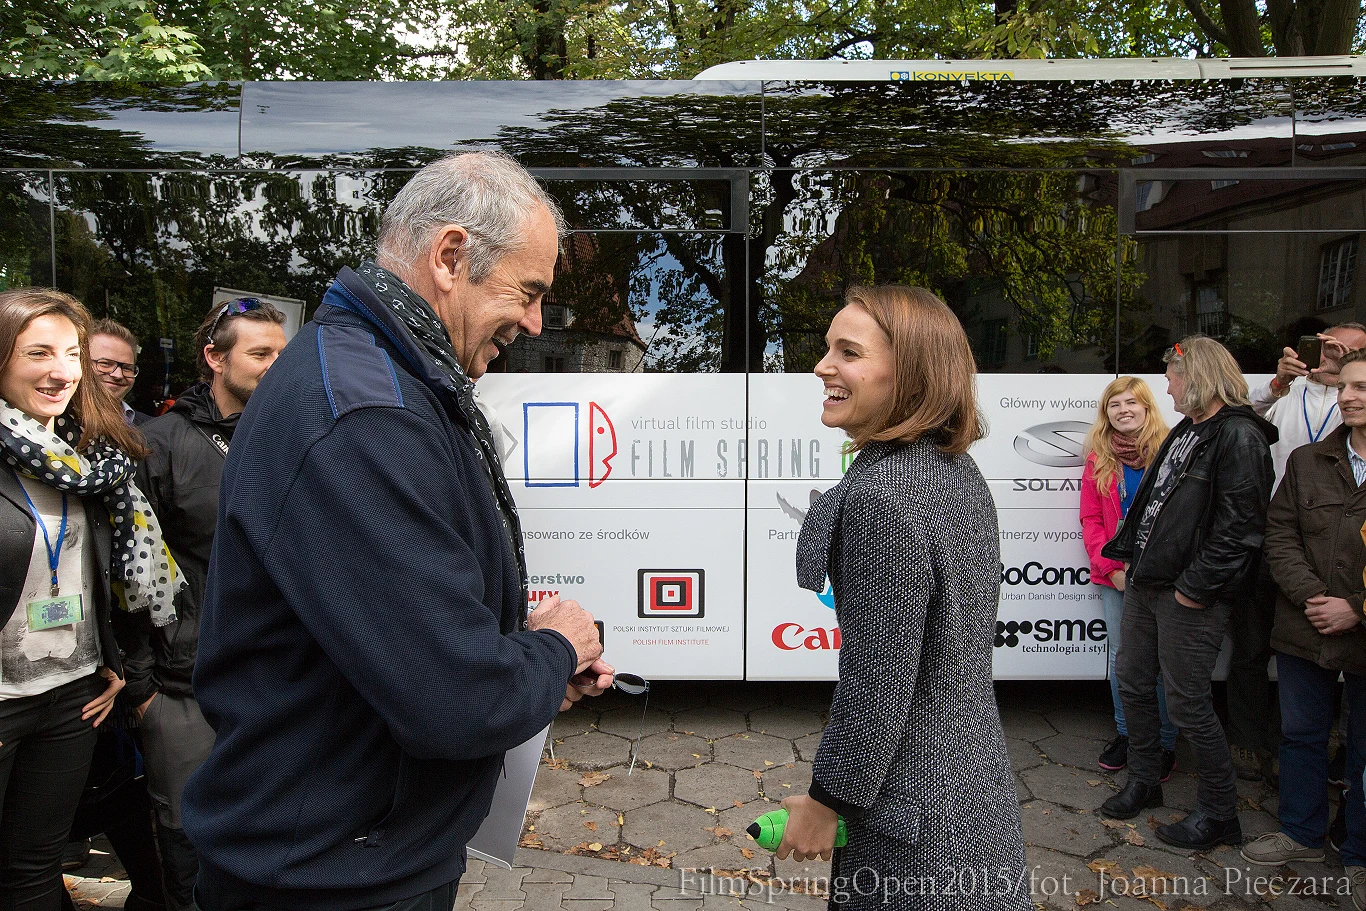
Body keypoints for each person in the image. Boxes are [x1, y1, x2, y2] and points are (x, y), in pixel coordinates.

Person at [181, 152, 613, 911]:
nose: (536, 322)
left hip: (345, 853)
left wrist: (521, 661)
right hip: (332, 878)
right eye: (530, 291)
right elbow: (453, 699)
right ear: (450, 257)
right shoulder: (366, 414)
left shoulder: (380, 374)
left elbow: (399, 627)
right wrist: (555, 648)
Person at [781, 285, 1029, 910]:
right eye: (827, 348)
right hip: (972, 785)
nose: (822, 367)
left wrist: (824, 803)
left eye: (849, 352)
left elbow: (880, 682)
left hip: (914, 817)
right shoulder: (953, 468)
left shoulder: (883, 497)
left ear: (912, 373)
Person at [0, 288, 180, 909]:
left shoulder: (94, 462)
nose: (61, 371)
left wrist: (113, 659)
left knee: (33, 869)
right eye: (38, 353)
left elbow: (107, 577)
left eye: (71, 354)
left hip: (72, 700)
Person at [120, 299, 287, 911]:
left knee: (268, 839)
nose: (275, 366)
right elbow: (125, 573)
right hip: (184, 686)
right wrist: (142, 689)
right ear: (215, 358)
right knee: (189, 848)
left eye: (282, 354)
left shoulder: (294, 437)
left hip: (278, 680)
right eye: (260, 353)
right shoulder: (158, 444)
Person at [1099, 336, 1277, 850]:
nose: (1168, 387)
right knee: (1133, 682)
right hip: (1147, 582)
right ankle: (1145, 781)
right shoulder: (1187, 429)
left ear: (1197, 377)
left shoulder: (1240, 435)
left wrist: (1194, 590)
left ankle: (1220, 814)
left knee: (1188, 703)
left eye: (1172, 377)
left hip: (1189, 593)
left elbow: (1241, 528)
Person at [1244, 346, 1366, 908]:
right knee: (1301, 734)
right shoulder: (1308, 460)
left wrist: (1356, 608)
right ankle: (1301, 833)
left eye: (1361, 387)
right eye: (1344, 387)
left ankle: (1359, 853)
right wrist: (1314, 597)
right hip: (1305, 622)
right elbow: (1280, 533)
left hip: (1359, 626)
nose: (1348, 397)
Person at [1230, 322, 1366, 784]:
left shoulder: (1352, 404)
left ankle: (1298, 748)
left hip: (1332, 546)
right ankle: (1247, 741)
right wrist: (1277, 383)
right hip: (1271, 537)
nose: (1329, 355)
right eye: (1324, 345)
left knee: (1316, 654)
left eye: (1343, 351)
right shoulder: (1288, 392)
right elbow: (1238, 414)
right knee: (1251, 646)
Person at [1079, 377, 1177, 775]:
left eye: (1131, 402)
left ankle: (1165, 742)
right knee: (1123, 659)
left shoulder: (1172, 451)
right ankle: (1128, 734)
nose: (1124, 410)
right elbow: (1090, 520)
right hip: (1116, 578)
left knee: (1162, 660)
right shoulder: (1099, 459)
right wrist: (1112, 569)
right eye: (1115, 404)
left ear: (1147, 407)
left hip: (1163, 576)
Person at [88, 319, 149, 426]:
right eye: (105, 364)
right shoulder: (59, 424)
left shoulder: (150, 428)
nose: (118, 375)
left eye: (127, 368)